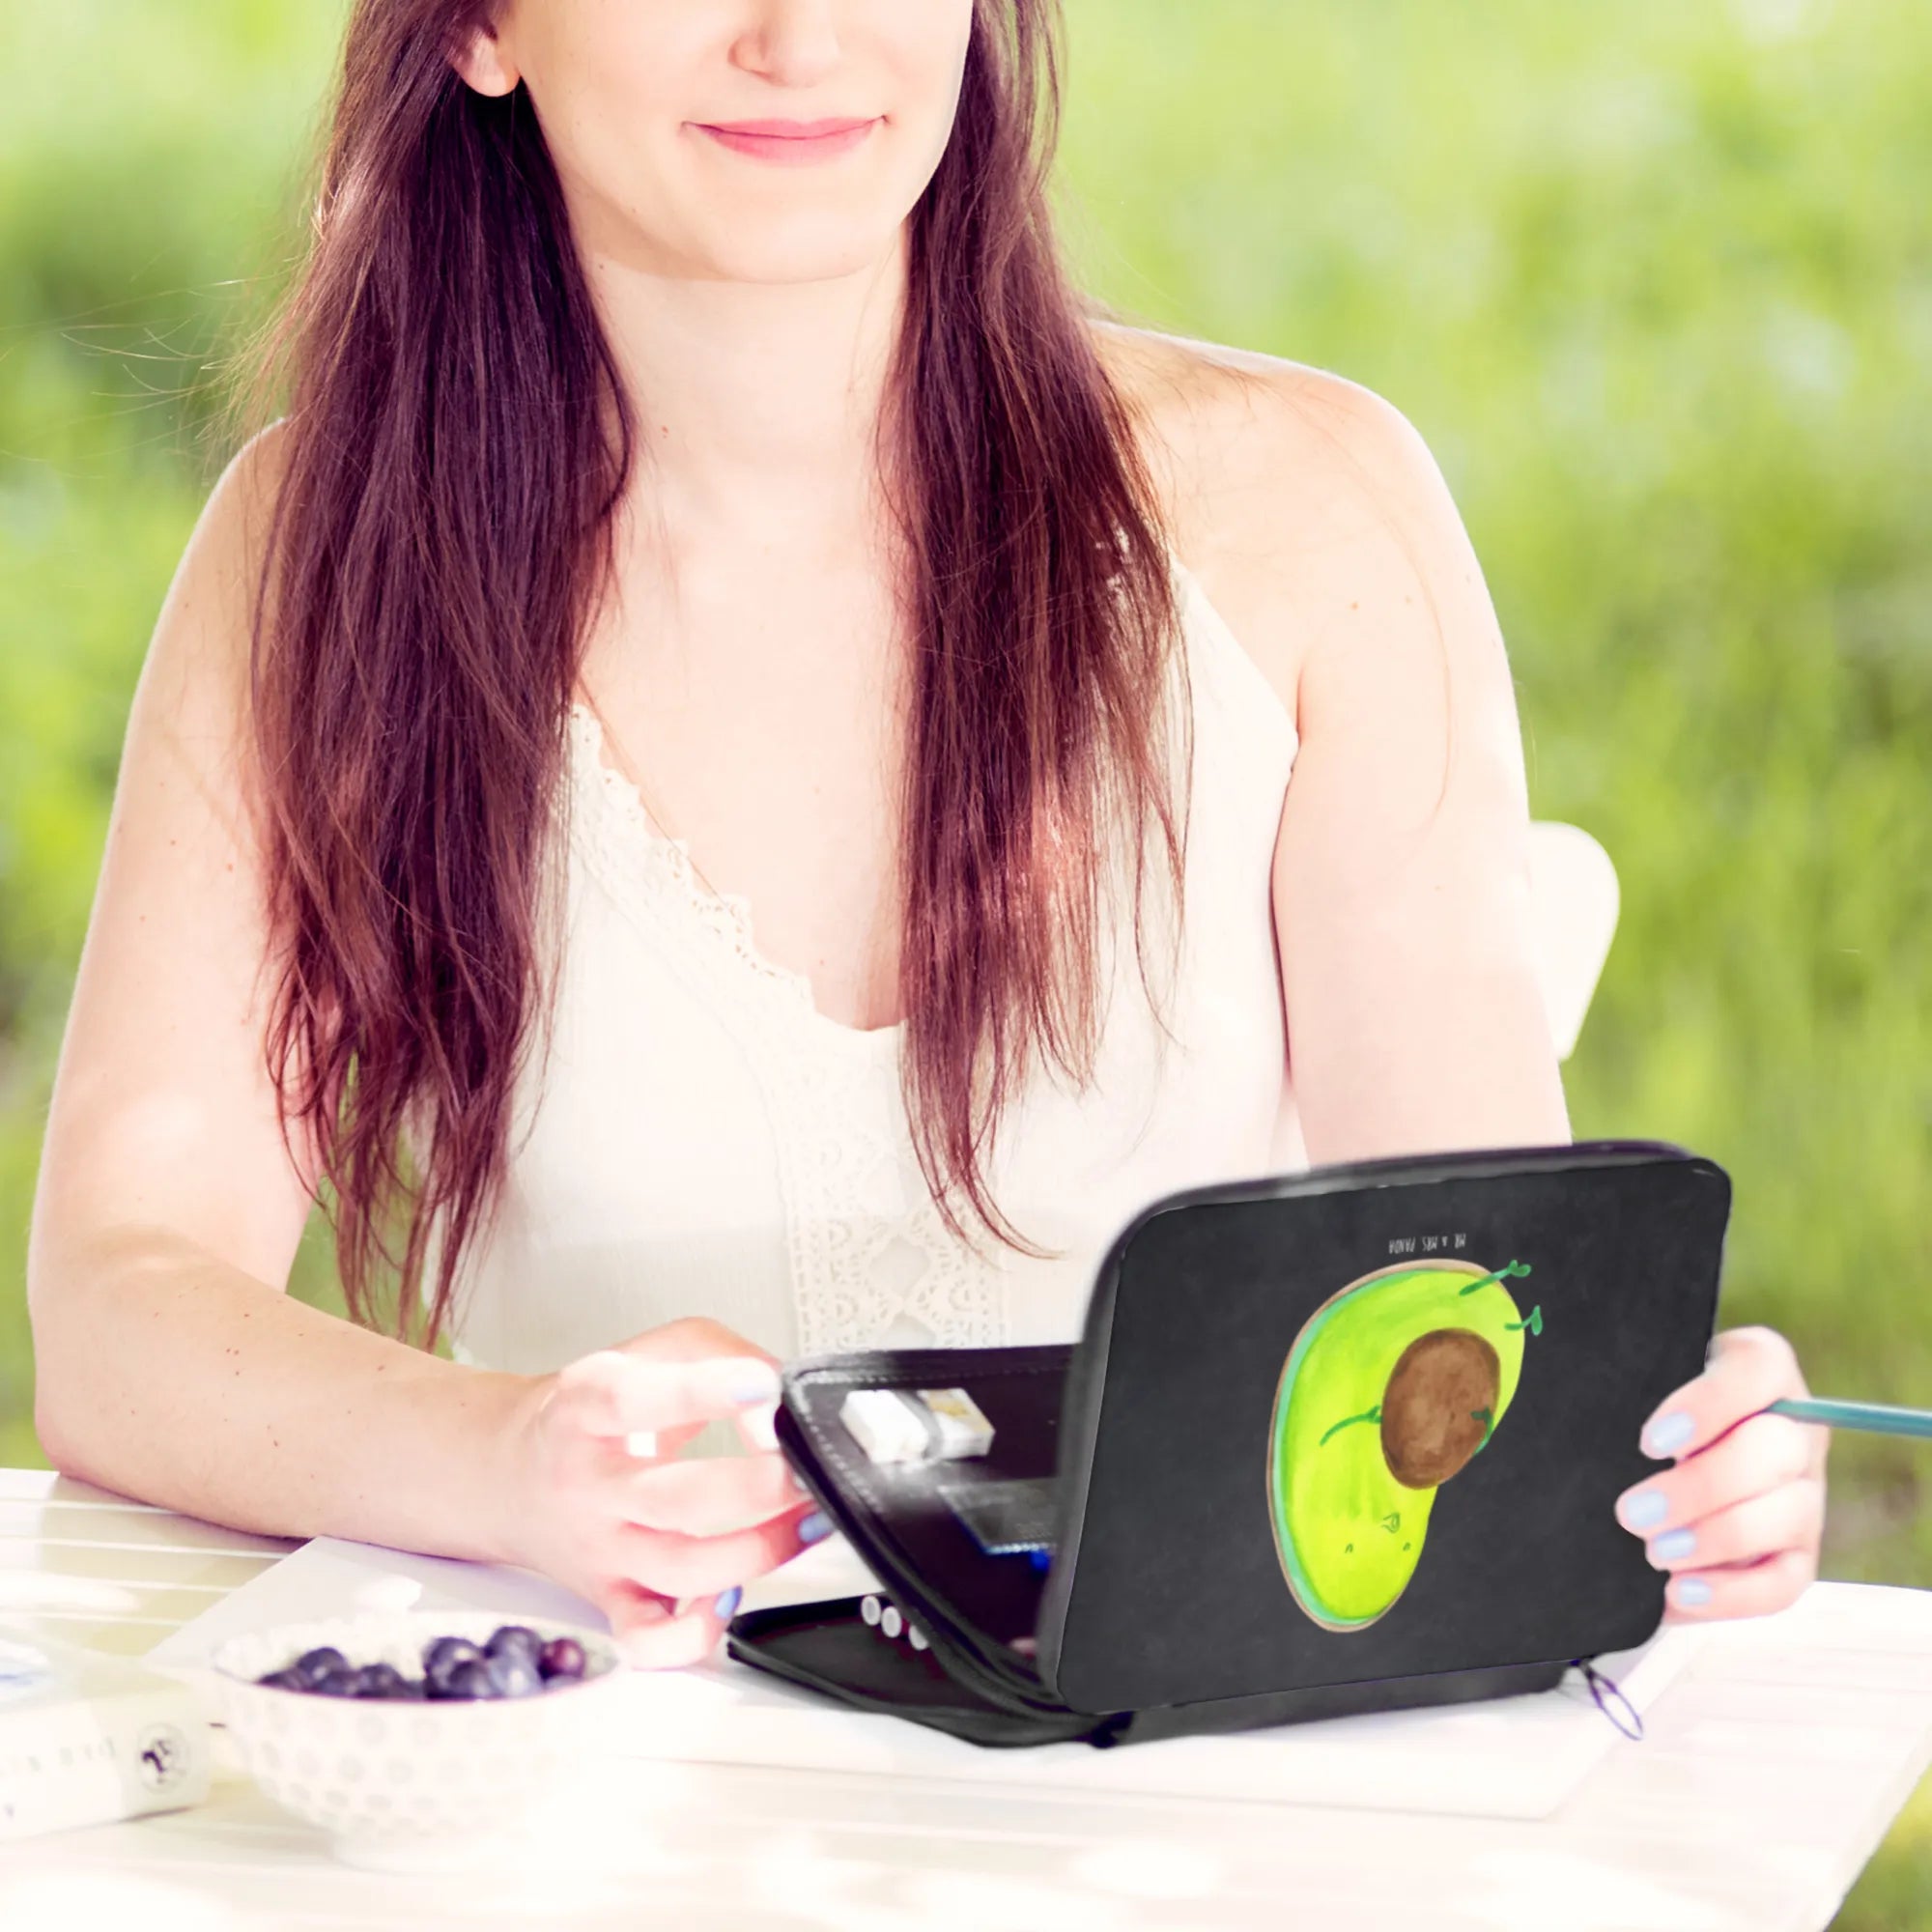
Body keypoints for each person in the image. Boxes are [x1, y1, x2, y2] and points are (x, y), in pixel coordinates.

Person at [26, 0, 1828, 1668]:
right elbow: (118, 1314)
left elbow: (1490, 1302)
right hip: (605, 1771)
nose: (800, 38)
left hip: (1200, 1774)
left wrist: (1669, 1454)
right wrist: (504, 1455)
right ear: (481, 27)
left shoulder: (1308, 518)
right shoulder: (329, 554)